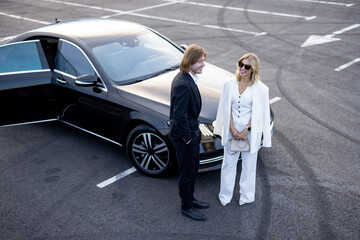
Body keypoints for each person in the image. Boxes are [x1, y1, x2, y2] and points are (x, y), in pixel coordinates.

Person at [213, 53, 271, 206]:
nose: (242, 68)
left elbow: (258, 112)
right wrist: (231, 128)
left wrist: (247, 130)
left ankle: (246, 196)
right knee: (228, 164)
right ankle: (225, 196)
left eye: (247, 66)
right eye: (241, 64)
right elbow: (226, 108)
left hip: (250, 132)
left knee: (249, 166)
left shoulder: (261, 89)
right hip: (232, 130)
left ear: (253, 69)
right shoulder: (229, 83)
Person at [169, 44, 209, 221]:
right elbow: (179, 115)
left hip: (192, 132)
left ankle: (191, 199)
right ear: (190, 61)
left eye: (203, 61)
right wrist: (187, 138)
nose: (203, 64)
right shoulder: (183, 84)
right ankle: (186, 206)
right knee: (186, 172)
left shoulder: (189, 78)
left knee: (193, 169)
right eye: (200, 61)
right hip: (185, 137)